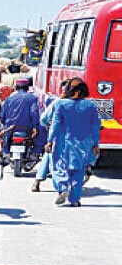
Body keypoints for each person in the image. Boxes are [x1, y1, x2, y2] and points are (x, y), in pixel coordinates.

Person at [46, 77, 101, 207]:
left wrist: (49, 141)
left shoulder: (61, 104)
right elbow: (95, 127)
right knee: (79, 171)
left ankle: (62, 188)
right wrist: (96, 144)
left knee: (59, 167)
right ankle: (74, 199)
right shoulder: (91, 106)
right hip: (84, 144)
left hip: (63, 143)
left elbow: (55, 124)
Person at [0, 77, 43, 156]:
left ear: (16, 87)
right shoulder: (32, 98)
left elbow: (2, 116)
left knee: (4, 139)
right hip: (27, 128)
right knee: (41, 131)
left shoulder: (9, 99)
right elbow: (34, 113)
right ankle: (36, 152)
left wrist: (4, 123)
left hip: (10, 128)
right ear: (27, 88)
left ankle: (6, 153)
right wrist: (35, 127)